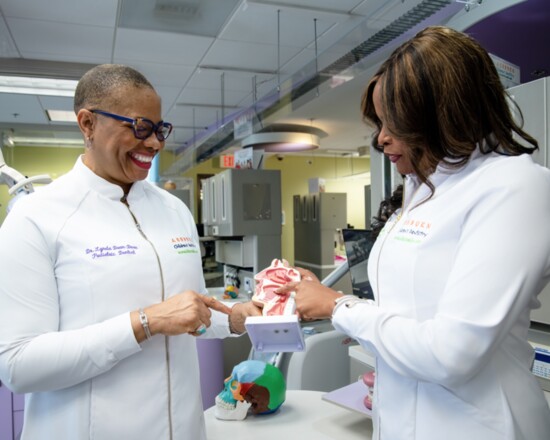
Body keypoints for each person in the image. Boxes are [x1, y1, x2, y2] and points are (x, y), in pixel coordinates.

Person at [277, 26, 550, 439]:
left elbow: (450, 353)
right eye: (380, 122)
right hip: (401, 418)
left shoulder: (516, 186)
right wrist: (351, 323)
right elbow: (405, 313)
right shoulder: (423, 187)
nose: (382, 138)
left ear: (442, 112)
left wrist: (338, 308)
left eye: (394, 123)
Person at [0, 64, 261, 440]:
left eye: (159, 130)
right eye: (138, 127)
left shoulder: (174, 211)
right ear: (87, 123)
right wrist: (143, 323)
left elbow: (192, 315)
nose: (154, 143)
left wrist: (237, 318)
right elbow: (18, 364)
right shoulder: (37, 217)